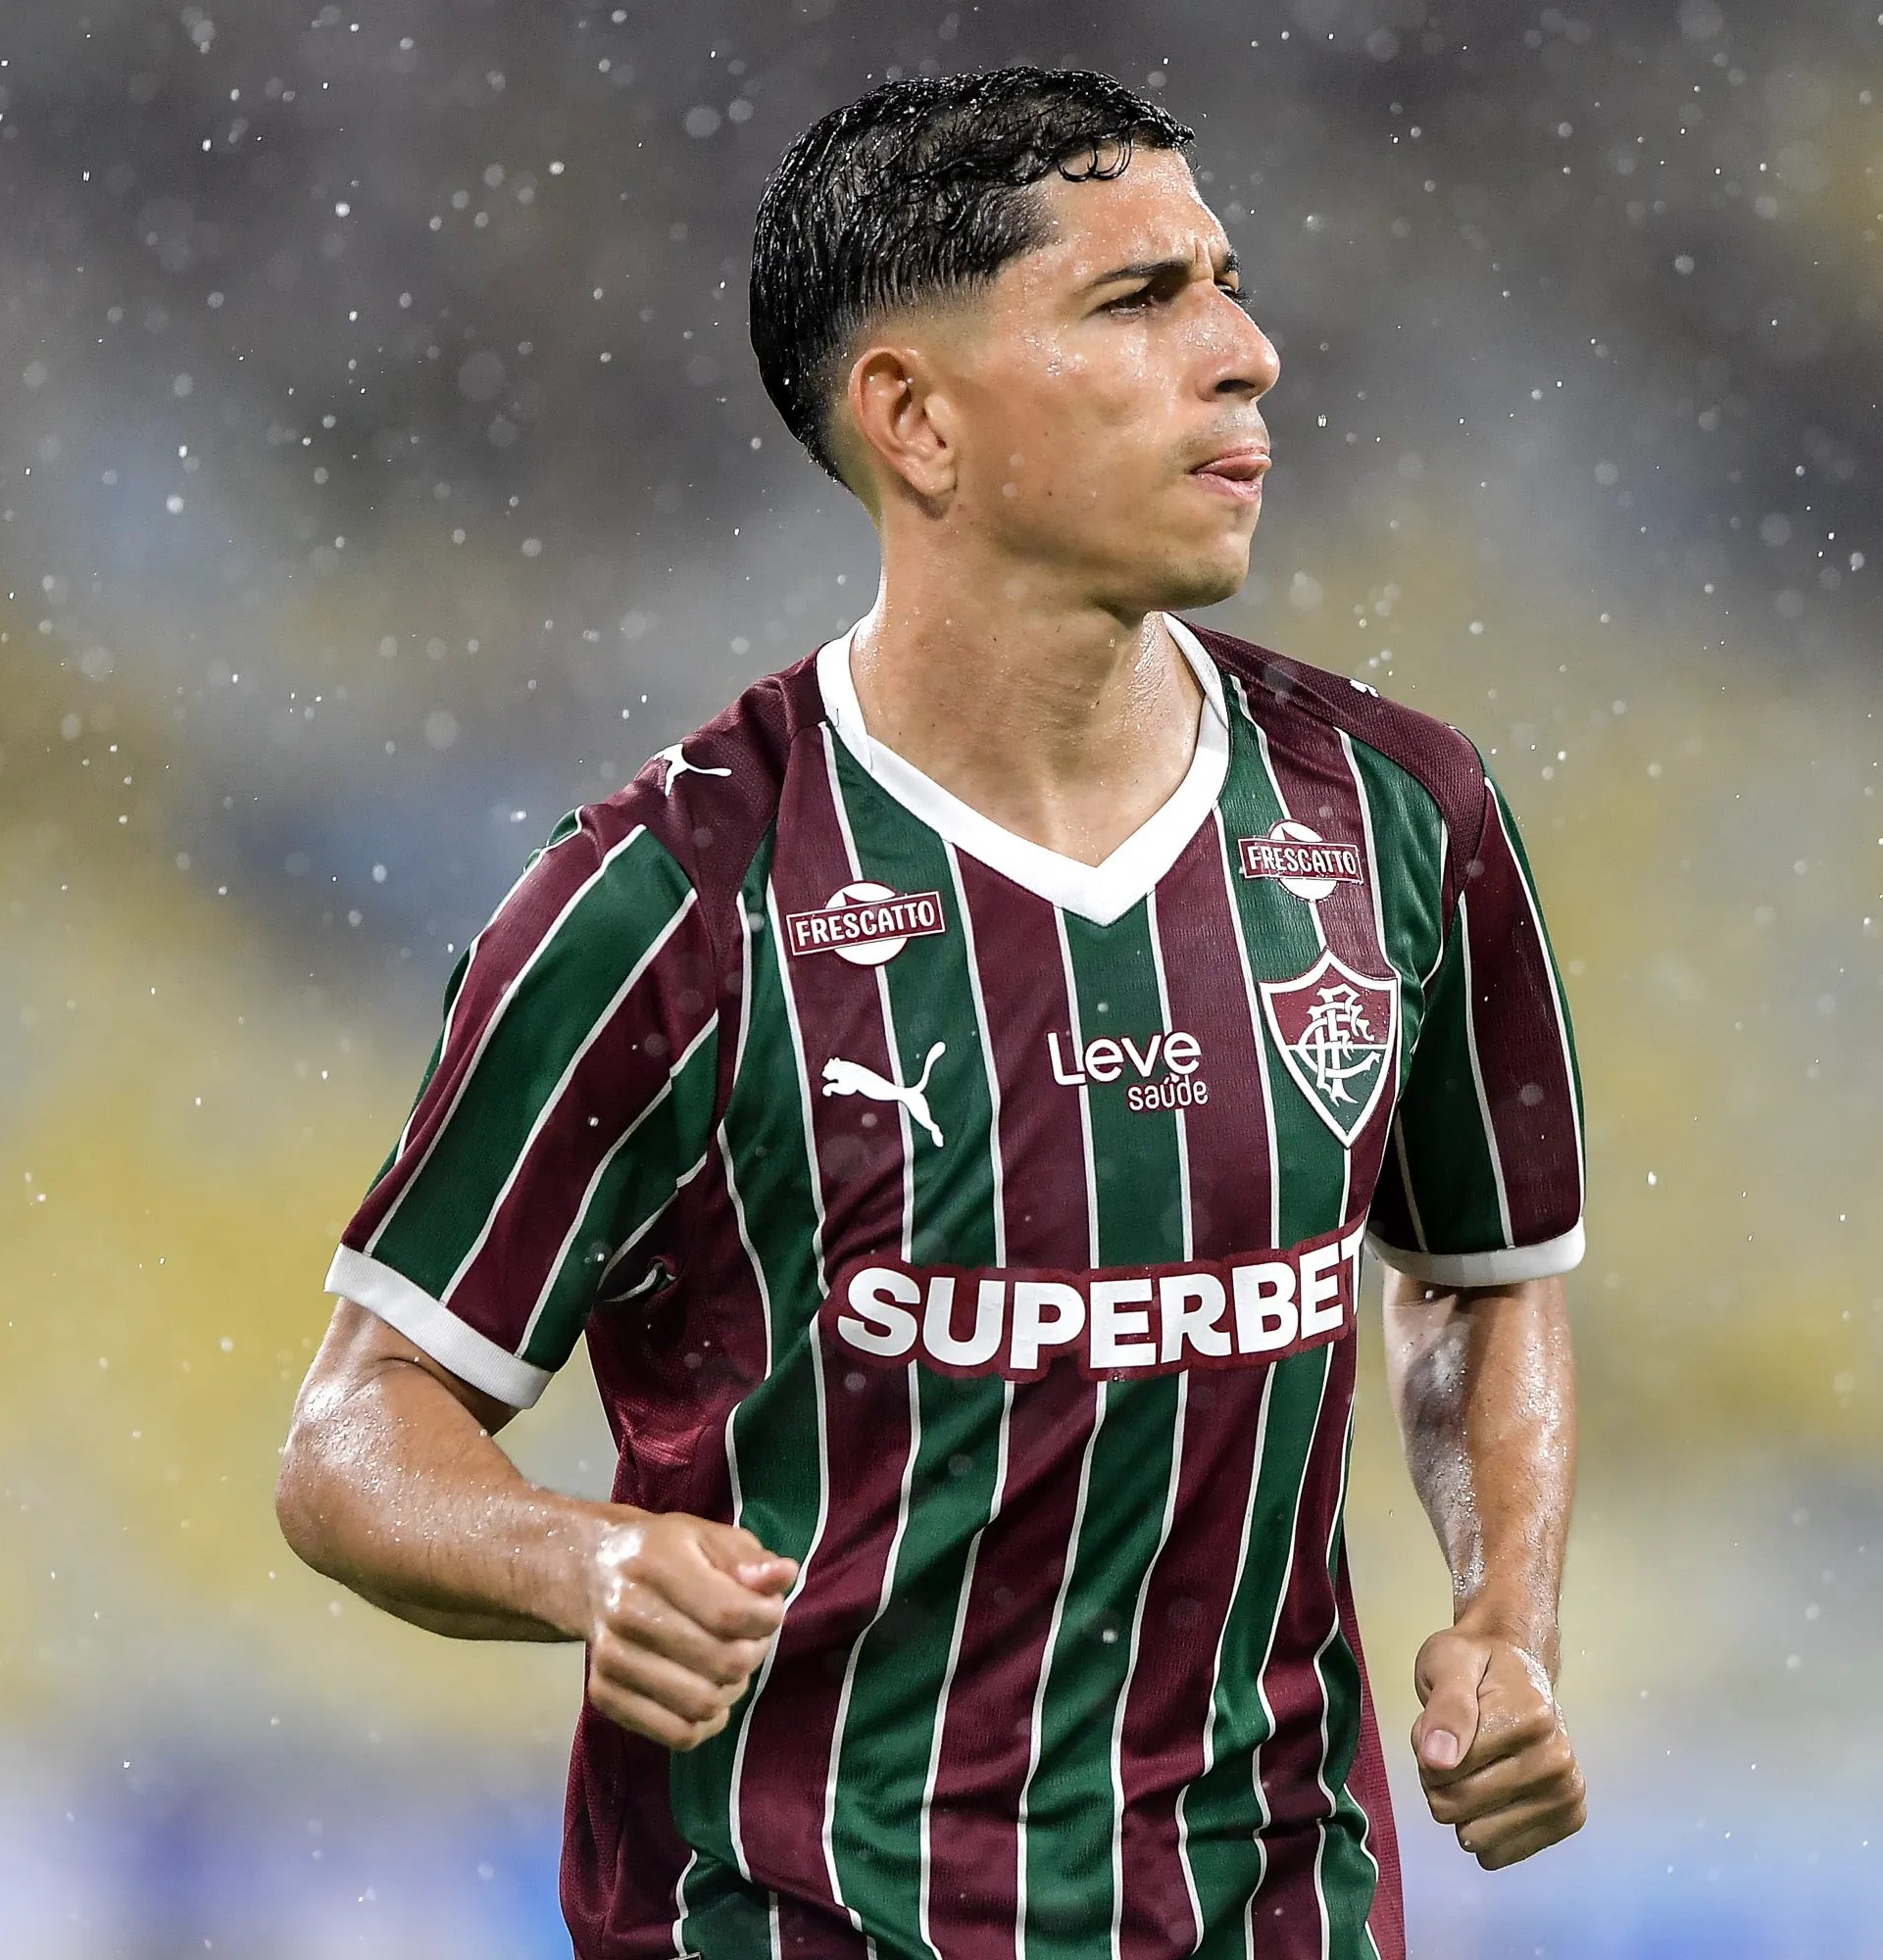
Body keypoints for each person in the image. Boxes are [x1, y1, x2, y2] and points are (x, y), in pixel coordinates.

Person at [275, 65, 1588, 1960]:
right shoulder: (676, 897)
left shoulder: (1397, 815)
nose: (1247, 353)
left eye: (1225, 285)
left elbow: (1477, 1280)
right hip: (795, 1914)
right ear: (916, 418)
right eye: (1139, 300)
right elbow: (353, 1435)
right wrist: (581, 1557)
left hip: (1272, 1910)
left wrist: (1507, 1616)